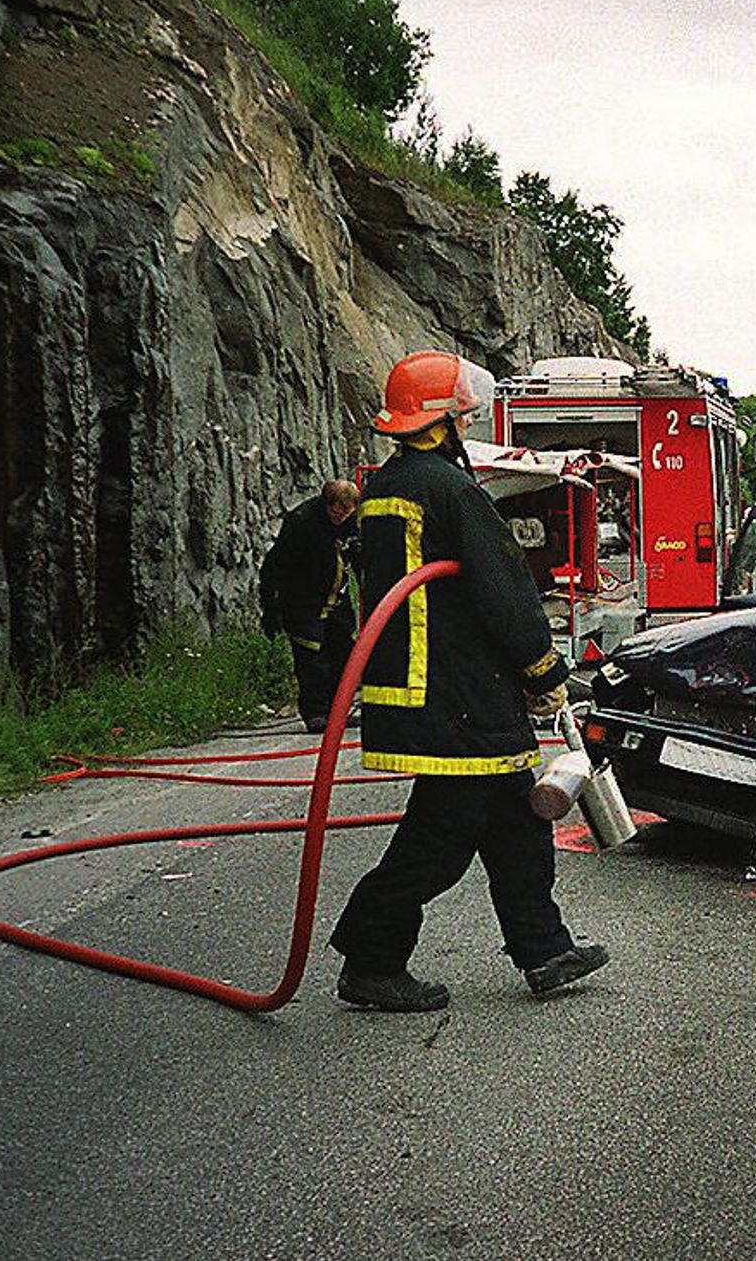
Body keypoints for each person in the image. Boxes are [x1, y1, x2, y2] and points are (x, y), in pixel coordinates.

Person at [329, 350, 607, 1013]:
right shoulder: (453, 491)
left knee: (515, 822)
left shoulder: (385, 487)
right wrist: (546, 672)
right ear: (446, 420)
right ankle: (371, 958)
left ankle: (544, 948)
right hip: (462, 699)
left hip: (427, 693)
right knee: (440, 841)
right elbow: (504, 593)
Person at [258, 479, 360, 733]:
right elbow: (274, 566)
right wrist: (270, 608)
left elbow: (359, 558)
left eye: (346, 511)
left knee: (343, 654)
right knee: (311, 658)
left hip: (337, 598)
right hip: (302, 598)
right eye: (336, 510)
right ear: (327, 504)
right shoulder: (302, 523)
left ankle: (338, 711)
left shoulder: (355, 524)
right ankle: (316, 713)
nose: (341, 516)